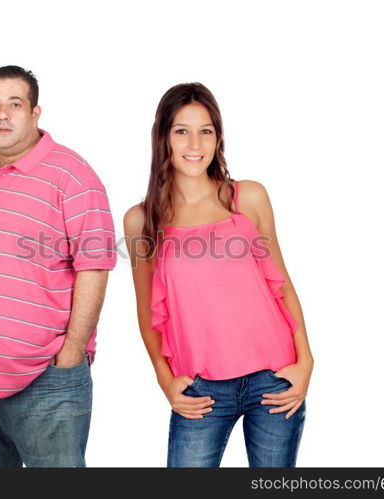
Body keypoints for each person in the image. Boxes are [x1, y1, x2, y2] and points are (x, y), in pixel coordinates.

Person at [0, 65, 116, 467]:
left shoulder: (73, 176)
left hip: (45, 379)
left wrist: (73, 351)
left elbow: (94, 266)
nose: (3, 114)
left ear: (35, 113)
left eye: (15, 104)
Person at [123, 82, 313, 467]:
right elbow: (147, 316)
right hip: (201, 389)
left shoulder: (249, 197)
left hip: (273, 377)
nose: (195, 143)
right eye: (182, 131)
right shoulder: (141, 220)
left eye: (205, 131)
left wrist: (306, 361)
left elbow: (282, 285)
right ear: (164, 138)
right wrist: (164, 379)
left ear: (217, 138)